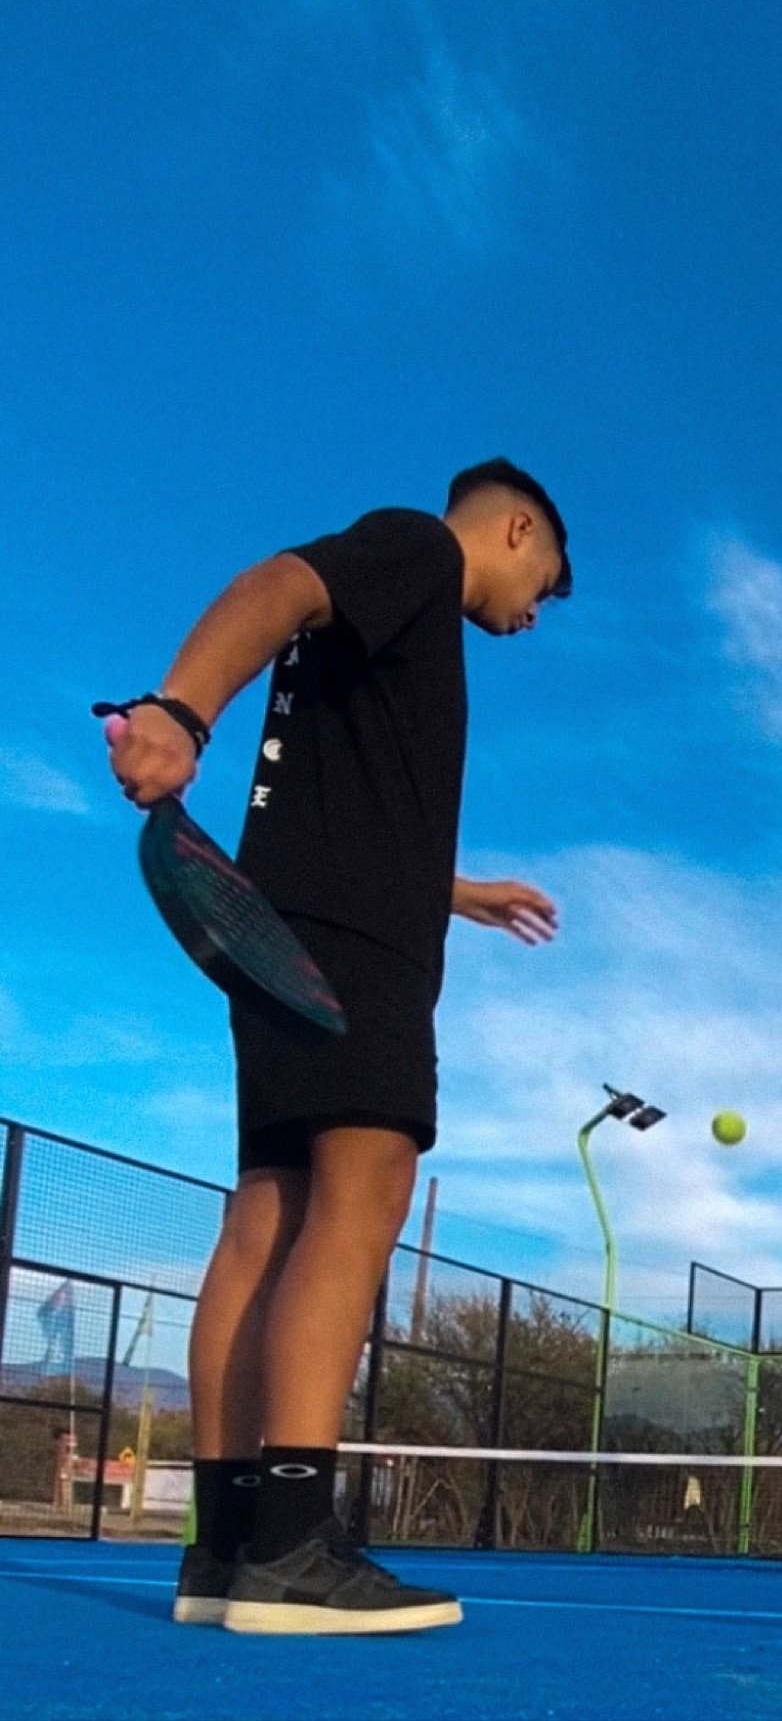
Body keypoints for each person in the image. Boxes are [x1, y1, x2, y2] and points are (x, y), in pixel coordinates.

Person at [101, 460, 570, 1637]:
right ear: (517, 529)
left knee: (269, 1212)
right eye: (548, 585)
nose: (535, 614)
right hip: (351, 946)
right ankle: (295, 1549)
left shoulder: (398, 617)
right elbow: (277, 583)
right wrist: (180, 710)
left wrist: (457, 890)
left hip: (289, 926)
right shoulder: (416, 549)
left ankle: (226, 1545)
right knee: (365, 1192)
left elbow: (356, 806)